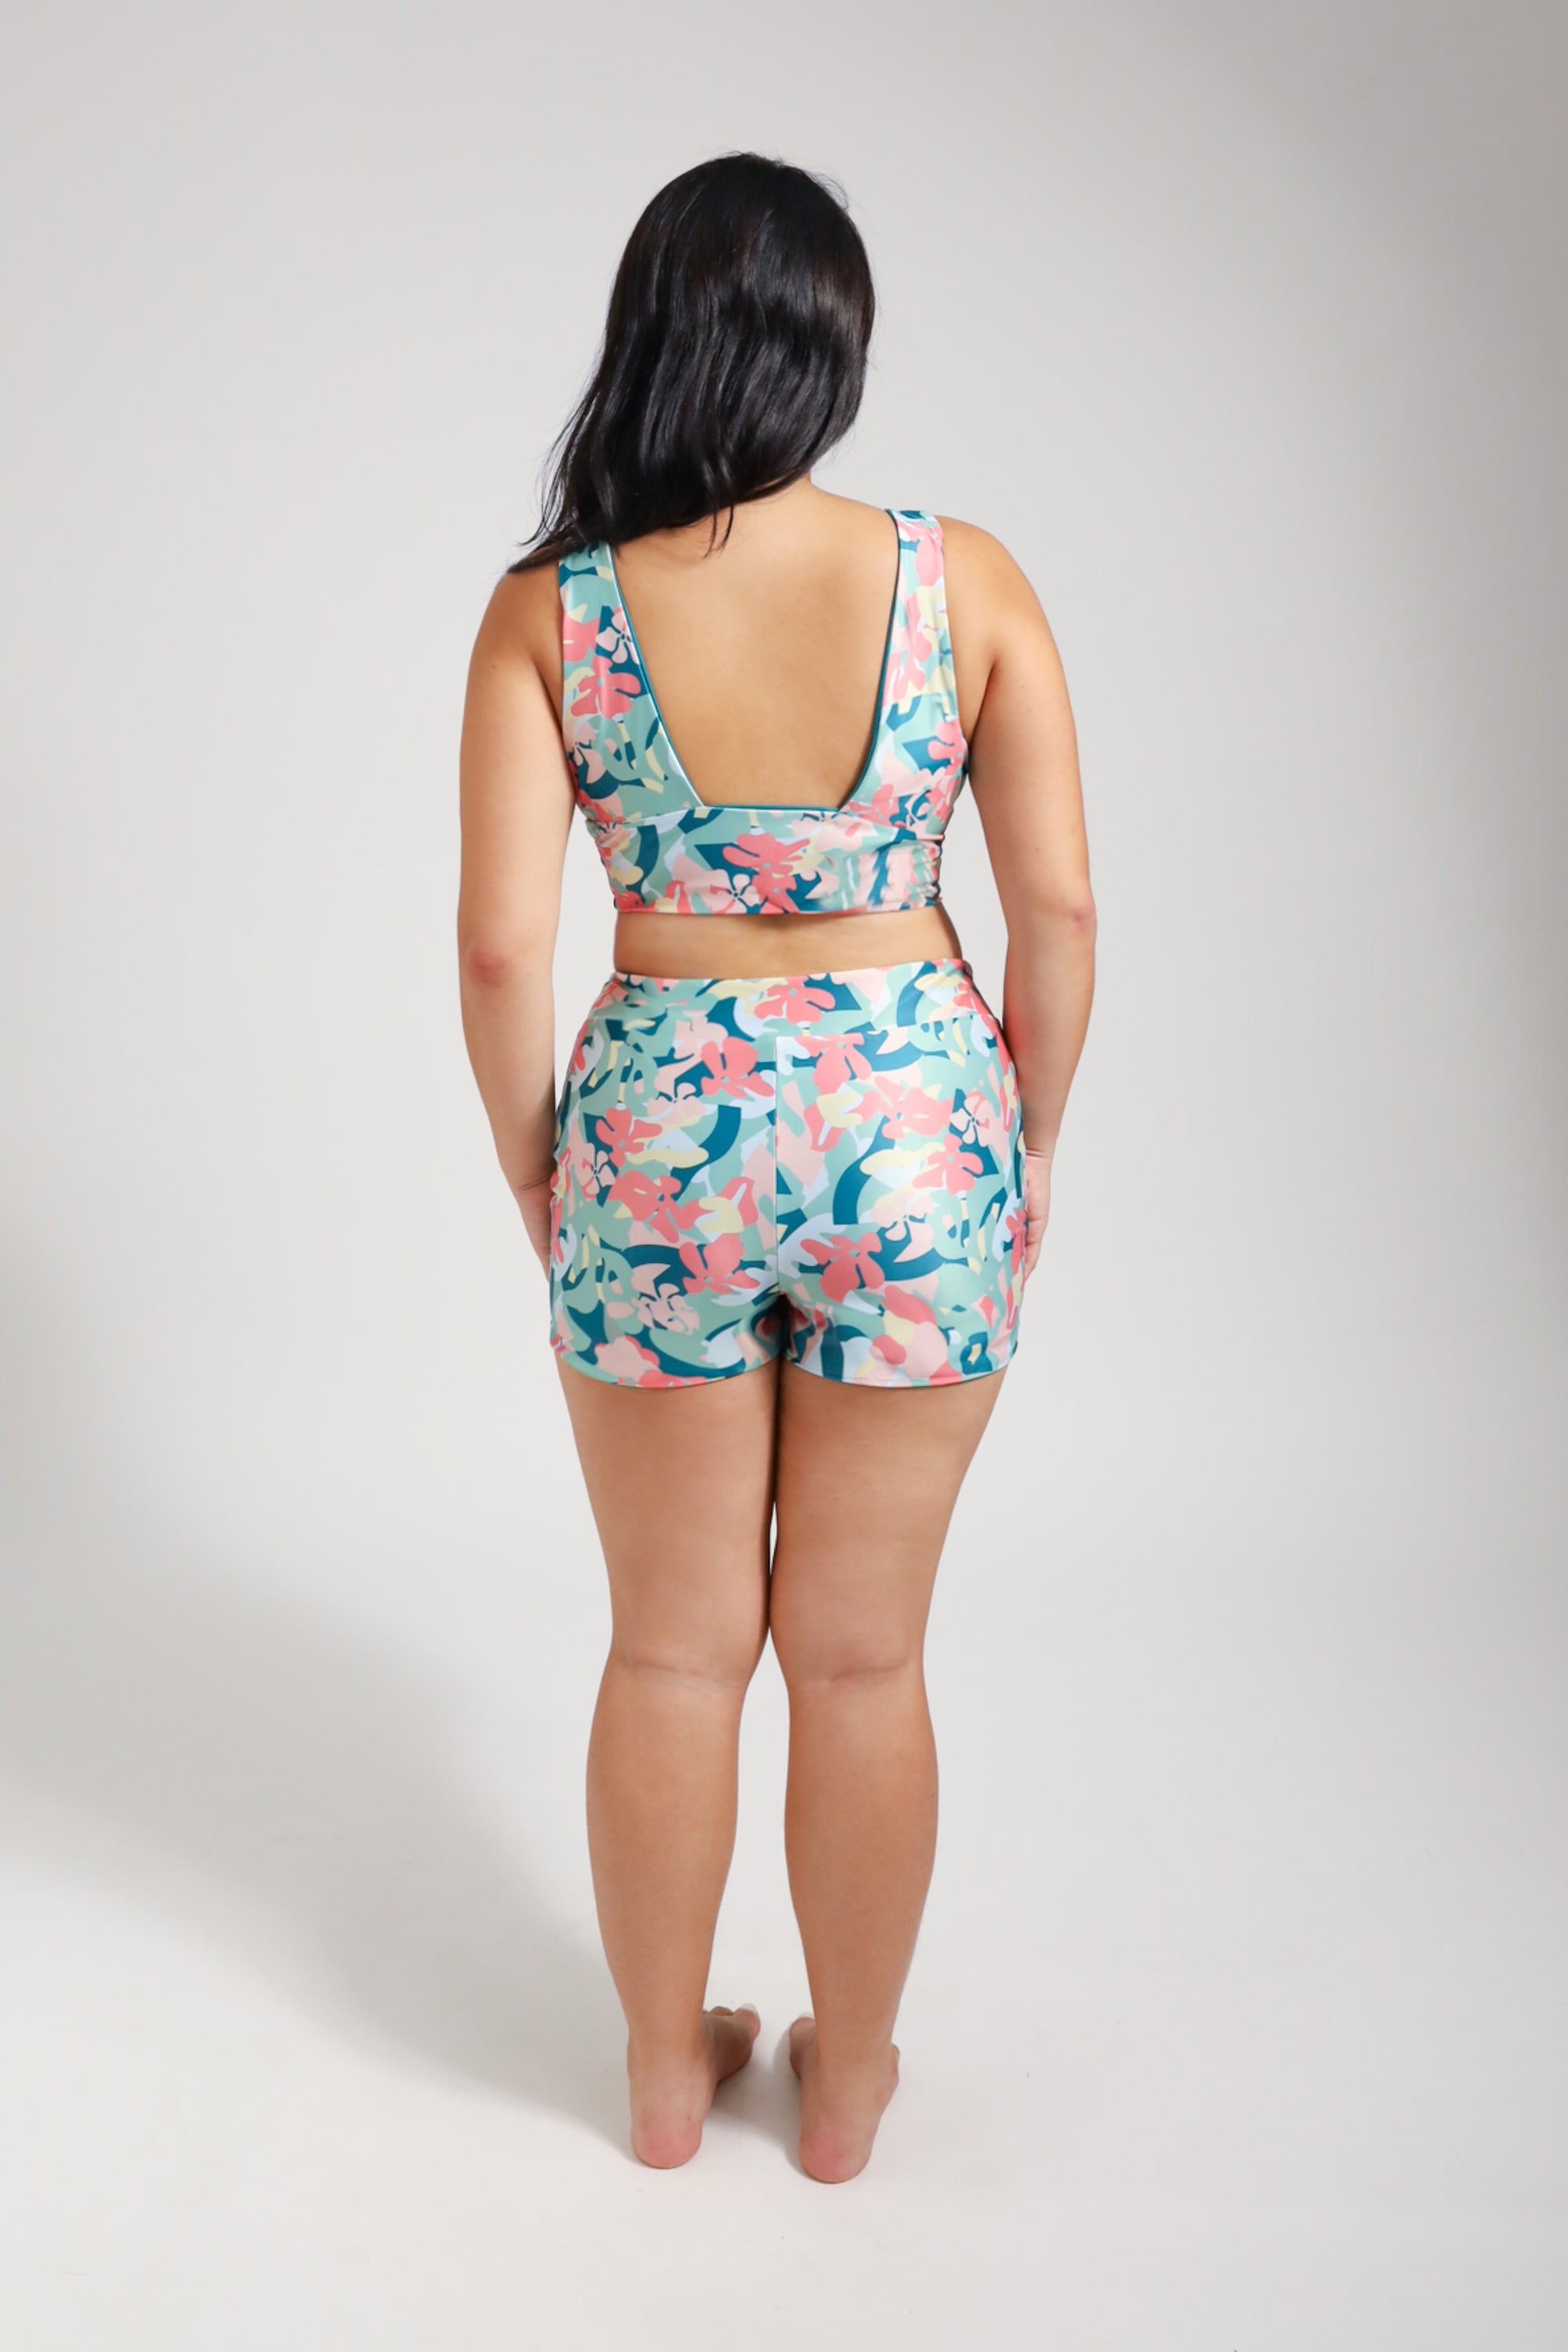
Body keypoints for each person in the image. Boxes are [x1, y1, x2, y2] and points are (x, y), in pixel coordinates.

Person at [458, 153, 1094, 2183]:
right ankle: (844, 2088)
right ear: (834, 348)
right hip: (917, 1133)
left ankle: (665, 2078)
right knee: (863, 1650)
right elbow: (1061, 915)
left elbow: (501, 948)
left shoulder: (554, 608)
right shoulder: (966, 578)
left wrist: (538, 1168)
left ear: (649, 333)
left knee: (670, 1643)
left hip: (656, 1133)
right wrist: (1027, 1140)